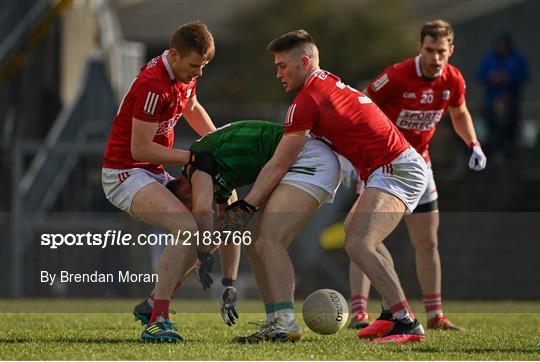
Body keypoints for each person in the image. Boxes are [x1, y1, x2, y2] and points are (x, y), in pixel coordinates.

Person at [223, 30, 430, 344]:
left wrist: (247, 204)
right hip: (389, 168)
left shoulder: (308, 99)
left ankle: (406, 322)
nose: (277, 73)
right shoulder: (326, 82)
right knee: (361, 237)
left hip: (396, 169)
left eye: (282, 65)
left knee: (359, 241)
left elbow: (279, 162)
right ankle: (391, 315)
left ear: (304, 62)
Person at [130, 120, 341, 341]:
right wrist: (229, 283)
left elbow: (202, 210)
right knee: (255, 240)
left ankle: (286, 322)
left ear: (184, 189)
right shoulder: (219, 184)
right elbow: (231, 231)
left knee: (267, 241)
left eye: (186, 210)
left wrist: (202, 252)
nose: (190, 214)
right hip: (306, 159)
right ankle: (274, 322)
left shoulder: (197, 164)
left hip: (307, 159)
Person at [347, 19, 487, 336]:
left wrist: (473, 143)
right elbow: (361, 105)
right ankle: (360, 312)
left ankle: (436, 314)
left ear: (451, 50)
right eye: (429, 50)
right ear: (419, 48)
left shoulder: (453, 79)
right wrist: (357, 155)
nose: (435, 58)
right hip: (383, 166)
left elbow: (459, 112)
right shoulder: (396, 76)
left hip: (420, 167)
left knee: (427, 241)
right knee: (362, 236)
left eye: (441, 51)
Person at [101, 21, 217, 342]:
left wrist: (218, 141)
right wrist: (192, 158)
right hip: (124, 174)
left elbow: (192, 107)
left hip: (150, 171)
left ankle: (153, 303)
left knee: (203, 237)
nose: (199, 73)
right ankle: (158, 317)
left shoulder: (183, 74)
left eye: (204, 66)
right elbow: (140, 148)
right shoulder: (154, 84)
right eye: (194, 66)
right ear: (175, 55)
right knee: (186, 228)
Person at [477, 32, 529, 159]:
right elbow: (480, 74)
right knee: (491, 131)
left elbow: (525, 75)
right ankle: (491, 154)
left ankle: (511, 154)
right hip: (491, 102)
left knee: (511, 132)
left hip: (512, 101)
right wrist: (492, 77)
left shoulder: (517, 58)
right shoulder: (489, 58)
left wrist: (508, 77)